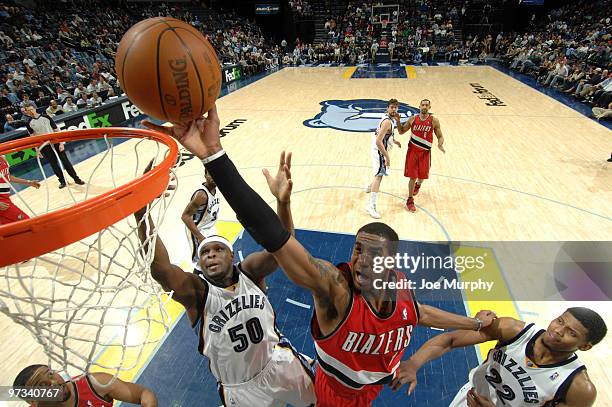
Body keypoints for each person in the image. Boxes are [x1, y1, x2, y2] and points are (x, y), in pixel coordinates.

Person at [143, 105, 496, 407]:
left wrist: (474, 324)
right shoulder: (335, 289)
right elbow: (277, 239)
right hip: (327, 393)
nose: (359, 260)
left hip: (329, 380)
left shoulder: (400, 288)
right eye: (357, 250)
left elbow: (419, 313)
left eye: (373, 254)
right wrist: (215, 157)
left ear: (391, 265)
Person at [133, 155, 315, 407]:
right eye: (205, 252)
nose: (210, 255)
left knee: (328, 399)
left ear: (232, 254)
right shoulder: (197, 293)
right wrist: (141, 213)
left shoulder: (249, 271)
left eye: (218, 249)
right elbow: (162, 270)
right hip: (240, 390)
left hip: (280, 363)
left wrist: (283, 203)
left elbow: (285, 248)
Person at [393, 307, 607, 407]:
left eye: (572, 333)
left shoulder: (579, 388)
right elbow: (449, 340)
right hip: (469, 399)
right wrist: (414, 363)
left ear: (585, 346)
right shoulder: (512, 330)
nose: (558, 331)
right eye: (560, 321)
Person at [13, 364, 157, 406]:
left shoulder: (94, 383)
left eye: (51, 374)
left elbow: (144, 393)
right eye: (42, 386)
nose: (55, 382)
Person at [394, 99, 445, 212]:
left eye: (427, 105)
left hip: (425, 153)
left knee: (422, 176)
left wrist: (440, 144)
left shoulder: (434, 121)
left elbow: (440, 136)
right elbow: (401, 131)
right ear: (419, 106)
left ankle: (418, 184)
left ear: (430, 107)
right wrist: (398, 121)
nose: (424, 106)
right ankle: (410, 199)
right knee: (412, 176)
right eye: (423, 105)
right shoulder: (413, 119)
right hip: (412, 151)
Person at [23, 103, 85, 189]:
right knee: (54, 164)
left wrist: (61, 143)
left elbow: (56, 130)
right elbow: (33, 137)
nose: (30, 111)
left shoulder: (46, 117)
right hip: (45, 146)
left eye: (31, 109)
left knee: (65, 161)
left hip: (55, 142)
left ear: (35, 108)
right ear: (26, 112)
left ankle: (76, 179)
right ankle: (63, 181)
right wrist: (37, 150)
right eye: (28, 110)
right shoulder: (28, 123)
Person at [365, 99, 401, 219]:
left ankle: (370, 187)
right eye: (392, 107)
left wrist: (394, 141)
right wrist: (387, 157)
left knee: (379, 173)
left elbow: (386, 134)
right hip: (379, 150)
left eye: (396, 107)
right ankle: (371, 206)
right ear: (387, 108)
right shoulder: (387, 122)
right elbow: (378, 141)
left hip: (378, 149)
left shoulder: (388, 118)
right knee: (379, 176)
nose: (394, 109)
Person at [181, 168, 220, 274]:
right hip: (197, 229)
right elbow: (185, 216)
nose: (213, 178)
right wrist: (199, 237)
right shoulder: (201, 195)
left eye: (215, 174)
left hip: (209, 227)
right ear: (205, 176)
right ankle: (197, 282)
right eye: (210, 174)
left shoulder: (216, 188)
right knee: (201, 262)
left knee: (216, 254)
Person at [0, 155, 40, 225]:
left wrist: (28, 182)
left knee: (10, 231)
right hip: (2, 202)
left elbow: (8, 176)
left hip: (5, 200)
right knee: (28, 223)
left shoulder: (3, 158)